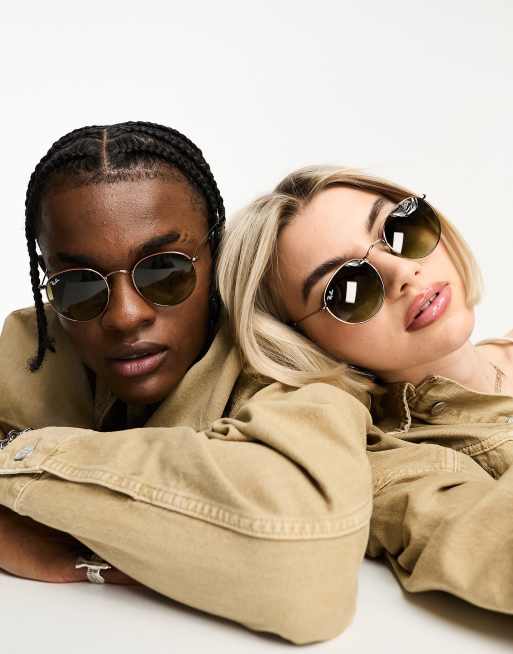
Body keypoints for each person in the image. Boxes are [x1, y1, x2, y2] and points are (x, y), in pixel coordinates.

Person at [0, 126, 373, 645]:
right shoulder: (36, 344)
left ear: (216, 253)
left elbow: (305, 572)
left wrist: (23, 464)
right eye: (79, 284)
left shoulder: (286, 371)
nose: (125, 316)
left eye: (164, 271)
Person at [217, 164, 513, 616]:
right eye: (347, 287)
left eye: (400, 228)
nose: (402, 272)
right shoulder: (399, 468)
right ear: (304, 344)